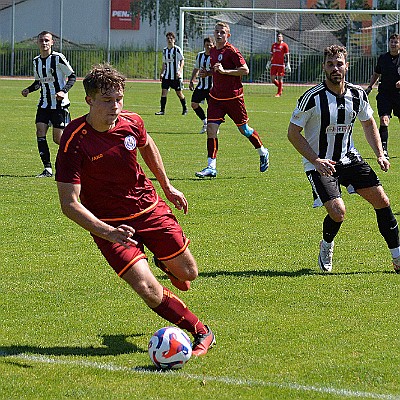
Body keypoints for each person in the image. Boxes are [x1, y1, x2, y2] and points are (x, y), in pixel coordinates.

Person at [55, 64, 215, 356]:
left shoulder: (132, 122)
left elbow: (147, 143)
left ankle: (164, 262)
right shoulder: (74, 139)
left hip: (149, 208)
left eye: (119, 99)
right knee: (148, 289)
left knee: (189, 272)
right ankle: (201, 330)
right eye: (106, 100)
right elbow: (69, 204)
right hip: (110, 226)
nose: (115, 106)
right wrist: (109, 232)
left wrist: (167, 186)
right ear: (89, 100)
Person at [287, 45, 400, 274]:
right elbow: (292, 133)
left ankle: (397, 257)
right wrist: (316, 160)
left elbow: (368, 123)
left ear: (346, 66)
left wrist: (380, 153)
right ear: (324, 67)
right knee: (338, 212)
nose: (335, 68)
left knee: (383, 201)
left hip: (349, 158)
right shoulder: (312, 98)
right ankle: (326, 245)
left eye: (339, 64)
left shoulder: (357, 94)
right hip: (320, 163)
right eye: (330, 64)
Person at [195, 21, 270, 178]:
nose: (219, 34)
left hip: (234, 98)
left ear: (228, 35)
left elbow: (245, 70)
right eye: (217, 31)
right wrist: (208, 73)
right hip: (215, 97)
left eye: (222, 32)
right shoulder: (213, 51)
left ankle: (263, 151)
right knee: (211, 130)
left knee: (245, 130)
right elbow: (217, 72)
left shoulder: (232, 51)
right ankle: (211, 167)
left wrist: (225, 71)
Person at [21, 30, 76, 178]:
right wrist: (28, 89)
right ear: (38, 43)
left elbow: (72, 76)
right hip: (44, 104)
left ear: (52, 42)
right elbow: (39, 83)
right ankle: (48, 169)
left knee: (58, 139)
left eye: (47, 40)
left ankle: (76, 160)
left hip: (59, 105)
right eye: (41, 40)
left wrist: (63, 91)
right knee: (40, 132)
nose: (44, 43)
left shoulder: (58, 58)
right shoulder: (36, 61)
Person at [365, 33, 400, 159]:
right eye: (391, 42)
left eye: (396, 42)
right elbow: (376, 73)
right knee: (384, 120)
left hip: (399, 96)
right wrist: (370, 86)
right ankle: (384, 150)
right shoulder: (383, 58)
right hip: (385, 94)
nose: (393, 44)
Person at [155, 32, 188, 116]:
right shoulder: (165, 50)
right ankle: (162, 110)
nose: (169, 40)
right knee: (163, 92)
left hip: (175, 76)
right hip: (167, 76)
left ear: (174, 39)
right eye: (168, 38)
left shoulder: (177, 49)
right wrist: (161, 73)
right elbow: (164, 63)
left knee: (179, 93)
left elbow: (182, 60)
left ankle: (185, 108)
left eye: (171, 38)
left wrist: (180, 71)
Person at [189, 36, 215, 134]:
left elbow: (217, 71)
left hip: (212, 87)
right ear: (204, 45)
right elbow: (196, 68)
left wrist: (208, 73)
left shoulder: (214, 56)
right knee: (194, 104)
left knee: (211, 108)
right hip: (201, 86)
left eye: (210, 45)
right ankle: (205, 122)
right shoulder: (200, 55)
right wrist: (192, 80)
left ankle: (213, 127)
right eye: (206, 45)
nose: (208, 47)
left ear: (213, 45)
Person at [266, 33, 290, 98]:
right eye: (278, 36)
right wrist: (268, 62)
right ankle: (280, 87)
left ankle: (279, 93)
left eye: (280, 36)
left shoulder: (285, 45)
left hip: (281, 65)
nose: (279, 38)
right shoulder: (273, 45)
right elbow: (271, 54)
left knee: (280, 78)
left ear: (282, 38)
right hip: (274, 64)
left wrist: (288, 63)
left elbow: (287, 55)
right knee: (272, 79)